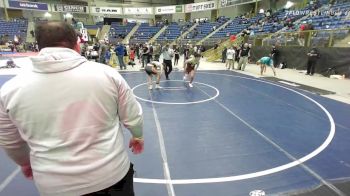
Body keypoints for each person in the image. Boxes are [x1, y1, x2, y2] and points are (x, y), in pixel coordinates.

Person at [0, 22, 144, 196]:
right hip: (111, 176)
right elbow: (133, 116)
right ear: (77, 43)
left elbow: (10, 141)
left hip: (55, 184)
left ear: (39, 46)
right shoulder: (107, 75)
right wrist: (137, 135)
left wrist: (24, 162)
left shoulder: (9, 91)